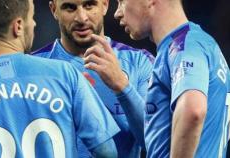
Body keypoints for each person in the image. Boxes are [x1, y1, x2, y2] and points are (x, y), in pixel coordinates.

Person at [0, 0, 120, 157]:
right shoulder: (63, 74)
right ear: (18, 26)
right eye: (31, 18)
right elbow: (107, 151)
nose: (33, 24)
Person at [32, 0, 154, 157]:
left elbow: (153, 141)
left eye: (89, 5)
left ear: (105, 5)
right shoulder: (35, 66)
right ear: (54, 9)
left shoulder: (139, 61)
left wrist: (122, 86)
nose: (82, 18)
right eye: (70, 7)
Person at [114, 0, 230, 157]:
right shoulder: (205, 43)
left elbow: (193, 110)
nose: (117, 13)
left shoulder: (184, 46)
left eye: (122, 1)